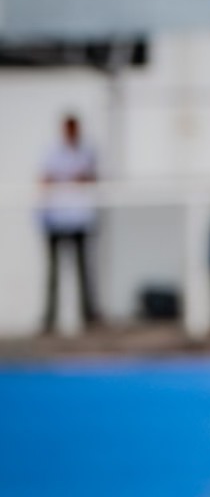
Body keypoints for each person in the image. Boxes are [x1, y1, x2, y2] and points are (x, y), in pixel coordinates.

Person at [38, 113, 101, 333]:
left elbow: (91, 177)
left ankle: (88, 315)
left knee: (83, 269)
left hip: (78, 217)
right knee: (53, 272)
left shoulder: (87, 152)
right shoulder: (51, 152)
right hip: (56, 217)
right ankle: (49, 318)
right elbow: (45, 179)